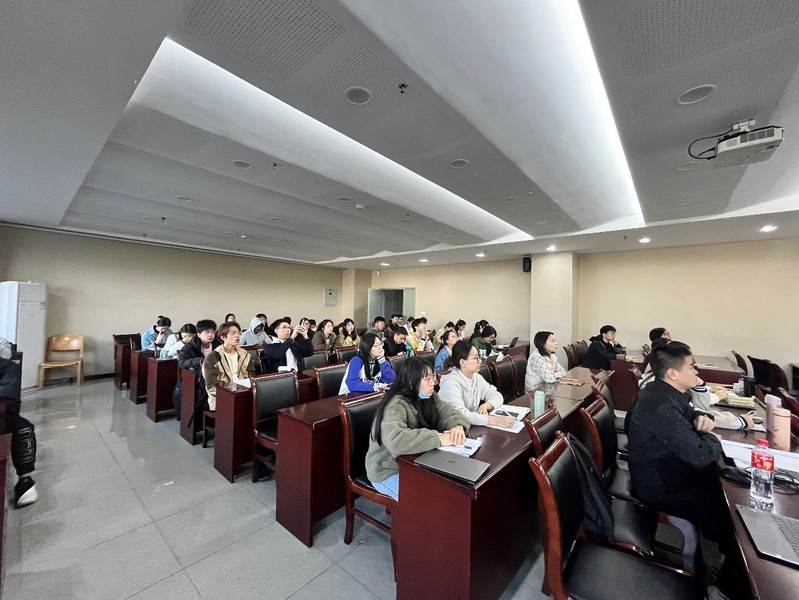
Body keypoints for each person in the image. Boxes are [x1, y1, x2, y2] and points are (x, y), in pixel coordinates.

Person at [626, 341, 744, 598]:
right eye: (692, 367)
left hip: (671, 471)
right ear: (673, 373)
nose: (697, 373)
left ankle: (722, 565)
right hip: (661, 485)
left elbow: (691, 418)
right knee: (734, 519)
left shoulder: (666, 392)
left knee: (724, 492)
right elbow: (700, 455)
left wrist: (704, 420)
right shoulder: (660, 404)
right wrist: (712, 438)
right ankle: (730, 585)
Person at [365, 358, 471, 501]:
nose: (433, 383)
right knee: (423, 503)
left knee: (446, 492)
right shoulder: (395, 405)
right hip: (387, 470)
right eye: (427, 379)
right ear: (411, 382)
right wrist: (438, 438)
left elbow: (448, 412)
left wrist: (457, 426)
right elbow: (397, 441)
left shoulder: (428, 396)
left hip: (415, 463)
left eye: (432, 377)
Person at [438, 341, 517, 427]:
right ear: (463, 362)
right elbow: (460, 414)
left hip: (470, 426)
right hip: (452, 428)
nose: (480, 361)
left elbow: (496, 395)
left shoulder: (476, 377)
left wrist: (486, 405)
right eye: (475, 358)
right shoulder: (450, 383)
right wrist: (493, 420)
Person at [0, 341, 39, 508]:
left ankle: (25, 480)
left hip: (2, 413)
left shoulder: (6, 367)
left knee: (23, 428)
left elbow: (8, 400)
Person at [201, 322, 255, 410]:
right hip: (222, 398)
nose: (237, 336)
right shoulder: (213, 358)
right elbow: (211, 386)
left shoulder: (244, 354)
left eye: (238, 333)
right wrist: (233, 393)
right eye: (233, 333)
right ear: (223, 337)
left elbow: (252, 375)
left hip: (244, 394)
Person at [178, 320, 221, 416]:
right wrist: (199, 360)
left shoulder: (218, 345)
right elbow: (182, 362)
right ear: (198, 334)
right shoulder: (189, 347)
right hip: (197, 378)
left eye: (212, 332)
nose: (210, 335)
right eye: (207, 332)